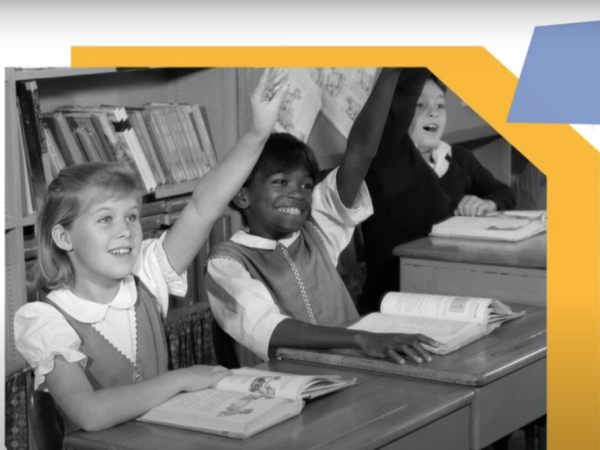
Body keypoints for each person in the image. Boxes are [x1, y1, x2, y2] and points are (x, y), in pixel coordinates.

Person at [13, 68, 290, 433]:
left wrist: (257, 133)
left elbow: (203, 207)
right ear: (64, 239)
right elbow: (89, 413)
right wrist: (180, 379)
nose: (125, 231)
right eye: (105, 220)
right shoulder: (43, 320)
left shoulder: (145, 277)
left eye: (130, 216)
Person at [206, 68, 438, 368]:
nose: (298, 194)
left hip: (355, 372)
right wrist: (360, 339)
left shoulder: (318, 230)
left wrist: (391, 70)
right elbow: (270, 328)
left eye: (305, 185)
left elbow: (361, 151)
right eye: (280, 183)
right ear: (242, 195)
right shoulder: (226, 263)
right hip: (288, 391)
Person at [359, 68, 516, 314]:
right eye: (419, 105)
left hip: (453, 290)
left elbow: (504, 192)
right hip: (394, 300)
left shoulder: (460, 159)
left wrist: (488, 203)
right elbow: (400, 97)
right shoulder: (387, 159)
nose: (432, 112)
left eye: (440, 106)